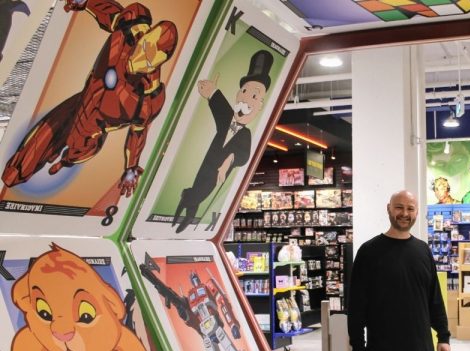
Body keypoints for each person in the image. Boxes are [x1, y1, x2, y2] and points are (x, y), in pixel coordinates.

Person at [2, 0, 178, 197]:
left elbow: (137, 135)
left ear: (159, 62)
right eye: (145, 46)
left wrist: (131, 167)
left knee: (71, 155)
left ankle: (63, 161)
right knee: (17, 169)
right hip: (78, 105)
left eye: (149, 60)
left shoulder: (148, 97)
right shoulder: (130, 27)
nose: (140, 58)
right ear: (145, 36)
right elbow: (108, 12)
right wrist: (85, 2)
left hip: (90, 135)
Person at [348, 190, 451, 351]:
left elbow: (434, 299)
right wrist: (358, 348)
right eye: (399, 207)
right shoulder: (369, 252)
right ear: (389, 208)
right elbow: (357, 305)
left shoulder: (423, 251)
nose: (404, 213)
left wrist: (444, 336)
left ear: (417, 212)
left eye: (410, 208)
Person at [172, 50, 273, 233]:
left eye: (254, 96)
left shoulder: (247, 134)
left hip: (219, 170)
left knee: (204, 191)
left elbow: (244, 155)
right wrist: (212, 91)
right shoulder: (228, 119)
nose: (246, 99)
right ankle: (187, 209)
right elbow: (219, 104)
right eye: (244, 91)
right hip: (208, 162)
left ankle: (186, 204)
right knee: (198, 185)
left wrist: (230, 159)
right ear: (237, 94)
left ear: (260, 105)